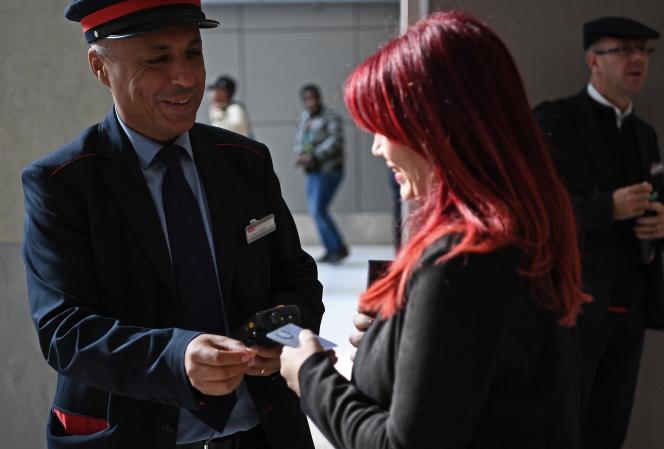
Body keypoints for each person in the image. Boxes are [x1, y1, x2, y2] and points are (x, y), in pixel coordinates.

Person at [280, 11, 590, 449]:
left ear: (432, 129)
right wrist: (394, 334)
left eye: (383, 128)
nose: (376, 147)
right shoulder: (520, 228)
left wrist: (310, 374)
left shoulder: (463, 257)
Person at [21, 1, 324, 448]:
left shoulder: (245, 162)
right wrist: (176, 357)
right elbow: (65, 331)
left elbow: (295, 276)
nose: (184, 78)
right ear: (100, 67)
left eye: (193, 53)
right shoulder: (64, 184)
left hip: (264, 431)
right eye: (157, 59)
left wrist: (282, 334)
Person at [534, 17, 662, 449]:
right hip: (576, 303)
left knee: (610, 429)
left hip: (632, 303)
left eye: (643, 51)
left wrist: (658, 222)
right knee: (566, 426)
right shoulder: (556, 120)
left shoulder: (645, 134)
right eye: (623, 50)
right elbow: (537, 207)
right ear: (593, 60)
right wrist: (608, 207)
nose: (637, 59)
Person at [293, 84, 349, 264]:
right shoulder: (304, 118)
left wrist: (314, 155)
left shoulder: (330, 117)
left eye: (314, 97)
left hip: (328, 170)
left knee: (318, 210)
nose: (311, 101)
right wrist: (301, 154)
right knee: (316, 211)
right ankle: (331, 248)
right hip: (312, 172)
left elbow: (335, 142)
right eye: (307, 99)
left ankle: (338, 247)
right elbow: (299, 140)